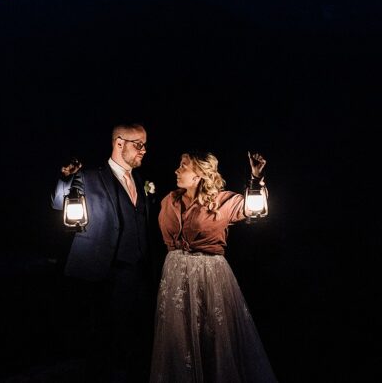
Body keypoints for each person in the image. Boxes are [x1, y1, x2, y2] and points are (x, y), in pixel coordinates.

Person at [149, 151, 277, 383]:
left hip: (210, 274)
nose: (177, 170)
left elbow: (254, 208)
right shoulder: (169, 200)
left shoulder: (223, 201)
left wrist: (256, 179)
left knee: (214, 335)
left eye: (183, 166)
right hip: (176, 274)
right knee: (178, 338)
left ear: (199, 174)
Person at [51, 123, 157, 382]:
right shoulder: (89, 176)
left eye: (145, 144)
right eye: (138, 144)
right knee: (101, 343)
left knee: (134, 340)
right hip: (103, 273)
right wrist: (66, 178)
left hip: (137, 273)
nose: (144, 150)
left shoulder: (140, 180)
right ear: (119, 143)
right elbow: (58, 201)